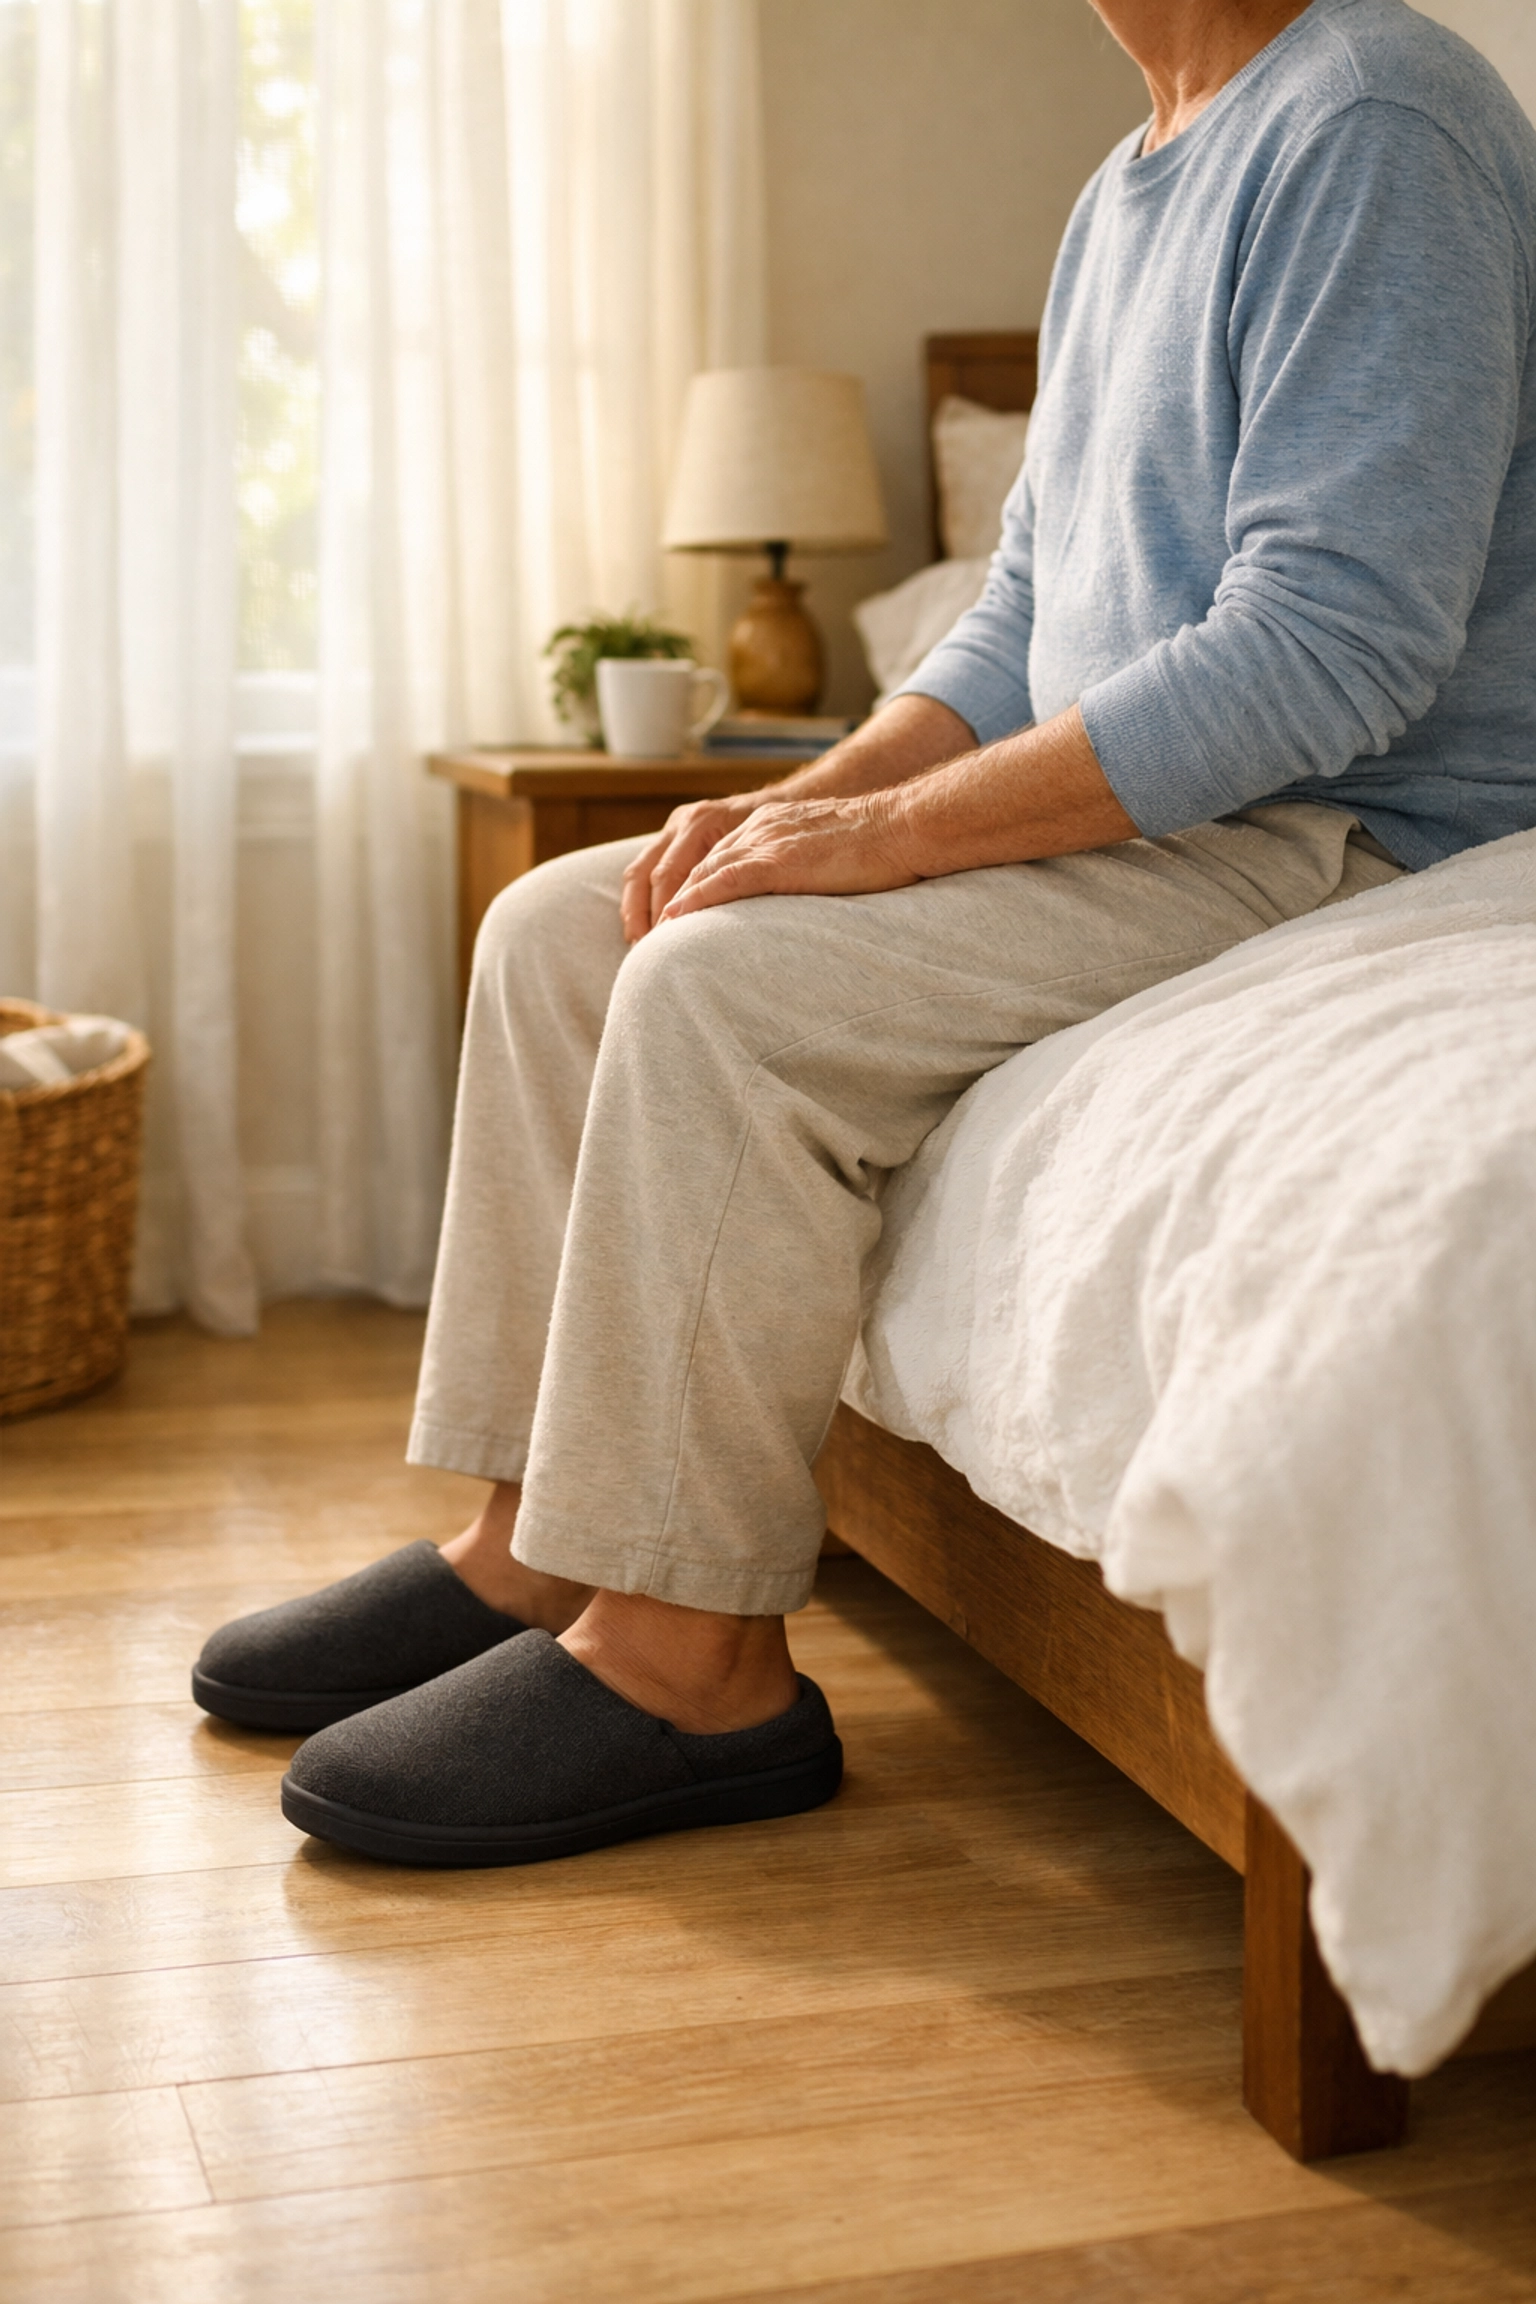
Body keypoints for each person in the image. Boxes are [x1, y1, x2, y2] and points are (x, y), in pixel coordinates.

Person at [197, 0, 1536, 1866]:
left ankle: (695, 1665)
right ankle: (537, 1547)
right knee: (566, 925)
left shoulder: (1378, 117)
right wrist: (805, 808)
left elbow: (1334, 648)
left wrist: (890, 843)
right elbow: (1015, 621)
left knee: (720, 989)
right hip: (1162, 796)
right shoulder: (1127, 186)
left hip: (1339, 823)